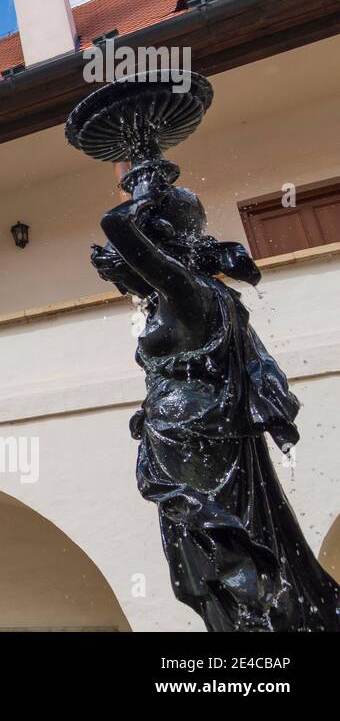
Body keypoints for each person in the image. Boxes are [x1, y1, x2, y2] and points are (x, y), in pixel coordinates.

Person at [91, 160, 340, 631]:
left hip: (186, 430)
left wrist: (142, 197)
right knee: (221, 541)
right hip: (206, 427)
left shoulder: (184, 288)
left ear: (164, 245)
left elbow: (115, 224)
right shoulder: (214, 296)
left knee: (214, 547)